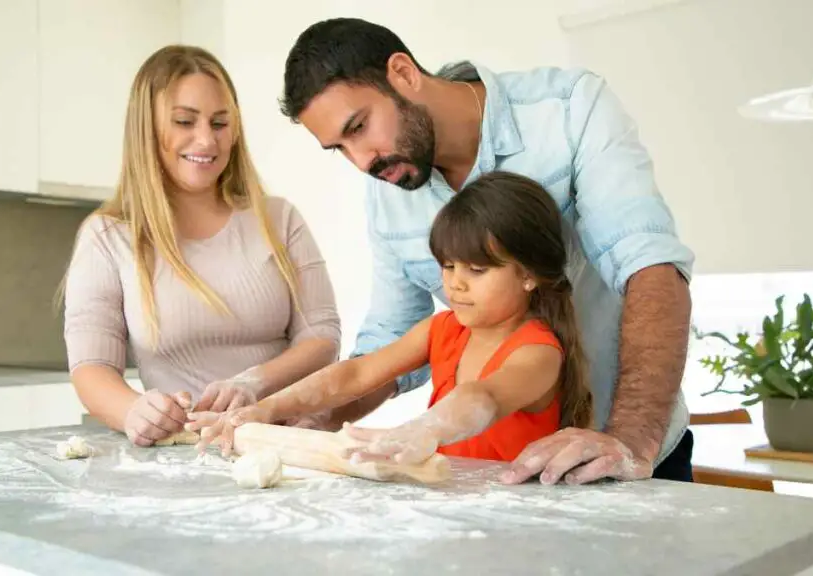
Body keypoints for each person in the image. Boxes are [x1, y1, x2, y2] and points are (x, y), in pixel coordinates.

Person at [270, 18, 696, 484]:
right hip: (505, 480)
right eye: (339, 148)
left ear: (404, 73)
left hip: (633, 448)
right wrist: (314, 420)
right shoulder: (386, 190)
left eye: (360, 127)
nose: (361, 161)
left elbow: (649, 266)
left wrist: (630, 442)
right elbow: (385, 346)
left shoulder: (569, 109)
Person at [188, 171, 592, 464]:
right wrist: (264, 409)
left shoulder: (539, 353)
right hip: (455, 509)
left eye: (477, 270)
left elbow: (481, 399)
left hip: (516, 524)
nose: (456, 284)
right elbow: (355, 375)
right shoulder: (443, 329)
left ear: (528, 275)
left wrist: (420, 430)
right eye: (448, 266)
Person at [61, 45, 341, 447]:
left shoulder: (279, 219)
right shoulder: (108, 238)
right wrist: (132, 411)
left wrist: (252, 383)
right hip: (184, 453)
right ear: (146, 128)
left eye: (220, 122)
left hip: (282, 442)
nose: (207, 140)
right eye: (184, 121)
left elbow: (322, 337)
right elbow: (92, 366)